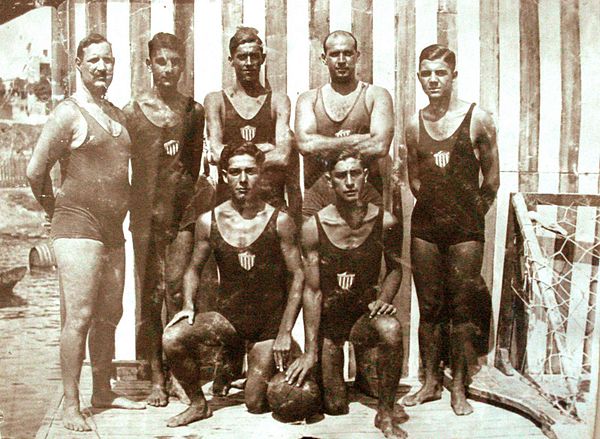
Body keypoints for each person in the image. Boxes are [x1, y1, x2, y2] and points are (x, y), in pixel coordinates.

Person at [26, 34, 145, 432]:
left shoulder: (117, 114)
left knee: (111, 314)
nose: (102, 67)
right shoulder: (68, 113)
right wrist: (54, 211)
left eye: (108, 61)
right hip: (78, 225)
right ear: (78, 64)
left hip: (113, 228)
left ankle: (103, 392)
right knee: (78, 316)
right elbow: (35, 171)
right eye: (93, 60)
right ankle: (71, 404)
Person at [162, 142, 304, 427]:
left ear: (261, 174)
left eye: (250, 171)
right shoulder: (208, 221)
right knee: (172, 337)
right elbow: (193, 269)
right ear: (225, 175)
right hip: (229, 322)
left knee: (255, 403)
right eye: (235, 172)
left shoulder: (280, 220)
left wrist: (285, 331)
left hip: (268, 326)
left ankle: (278, 357)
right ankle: (198, 404)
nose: (243, 179)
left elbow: (299, 276)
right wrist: (188, 305)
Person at [403, 44, 499, 415]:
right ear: (419, 77)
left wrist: (468, 214)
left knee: (462, 309)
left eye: (440, 73)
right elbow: (414, 180)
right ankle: (429, 382)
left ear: (453, 76)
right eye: (426, 73)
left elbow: (491, 179)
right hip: (426, 229)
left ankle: (458, 385)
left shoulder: (477, 119)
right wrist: (437, 209)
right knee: (428, 308)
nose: (433, 80)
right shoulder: (414, 124)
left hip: (465, 231)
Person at [286, 150, 407, 439]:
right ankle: (344, 378)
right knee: (336, 406)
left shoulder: (385, 221)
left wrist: (384, 300)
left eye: (356, 174)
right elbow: (312, 292)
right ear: (330, 181)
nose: (350, 182)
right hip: (331, 324)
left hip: (364, 318)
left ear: (365, 176)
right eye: (342, 176)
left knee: (390, 328)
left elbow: (395, 269)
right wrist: (311, 350)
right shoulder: (313, 227)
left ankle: (386, 413)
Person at [123, 32, 213, 408]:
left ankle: (179, 376)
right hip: (146, 220)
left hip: (181, 220)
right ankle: (156, 378)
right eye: (161, 61)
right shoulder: (131, 113)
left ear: (183, 65)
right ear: (149, 65)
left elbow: (190, 171)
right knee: (150, 298)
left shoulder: (193, 111)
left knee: (177, 294)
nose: (169, 69)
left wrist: (185, 216)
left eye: (175, 62)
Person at [295, 30, 394, 218]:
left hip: (364, 196)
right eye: (334, 54)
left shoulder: (376, 95)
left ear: (357, 56)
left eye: (347, 53)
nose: (341, 60)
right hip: (319, 197)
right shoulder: (309, 99)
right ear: (324, 58)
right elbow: (305, 145)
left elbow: (380, 146)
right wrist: (361, 139)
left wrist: (324, 144)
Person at [204, 27, 299, 216]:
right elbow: (215, 153)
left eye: (254, 57)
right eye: (242, 57)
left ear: (262, 59)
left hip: (270, 201)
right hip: (230, 203)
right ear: (231, 60)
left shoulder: (278, 100)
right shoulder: (215, 100)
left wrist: (234, 155)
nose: (248, 63)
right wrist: (266, 146)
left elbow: (283, 156)